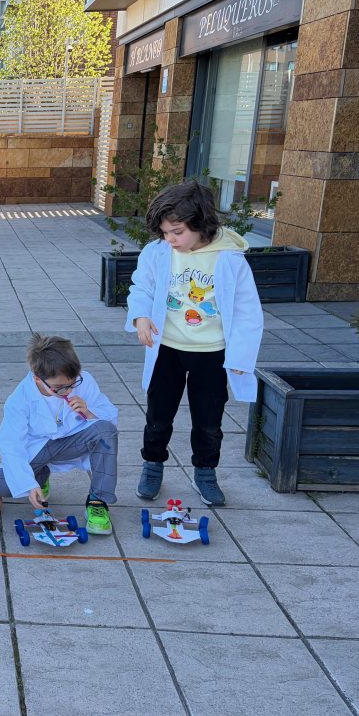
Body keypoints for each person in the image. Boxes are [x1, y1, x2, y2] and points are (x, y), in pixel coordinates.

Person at [127, 179, 263, 506]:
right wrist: (141, 316)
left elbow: (247, 311)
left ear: (200, 224)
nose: (169, 239)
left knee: (208, 420)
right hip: (167, 349)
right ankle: (152, 465)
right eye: (165, 232)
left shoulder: (229, 259)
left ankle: (205, 472)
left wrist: (241, 357)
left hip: (211, 353)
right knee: (158, 415)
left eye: (177, 232)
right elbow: (141, 287)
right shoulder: (158, 253)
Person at [0, 333, 119, 535]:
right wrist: (29, 485)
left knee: (106, 432)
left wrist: (90, 412)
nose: (67, 391)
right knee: (2, 487)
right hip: (38, 449)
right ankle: (40, 475)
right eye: (59, 388)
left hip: (72, 442)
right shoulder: (19, 400)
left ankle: (98, 501)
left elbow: (109, 415)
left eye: (72, 384)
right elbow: (11, 445)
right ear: (37, 379)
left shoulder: (85, 381)